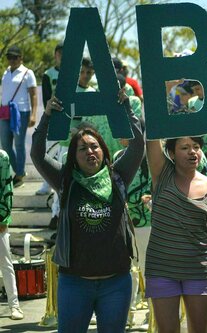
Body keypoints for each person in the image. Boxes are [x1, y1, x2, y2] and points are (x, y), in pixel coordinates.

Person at [31, 89, 144, 332]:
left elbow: (137, 147)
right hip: (74, 284)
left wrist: (127, 110)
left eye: (94, 146)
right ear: (74, 156)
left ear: (103, 151)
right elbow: (37, 155)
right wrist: (47, 117)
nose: (89, 152)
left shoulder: (119, 177)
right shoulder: (65, 180)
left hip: (116, 284)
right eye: (82, 149)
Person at [145, 134, 207, 332]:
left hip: (199, 271)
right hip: (162, 270)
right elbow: (151, 135)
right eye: (184, 148)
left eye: (196, 146)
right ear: (172, 154)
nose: (192, 152)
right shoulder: (162, 174)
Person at [1, 45, 38, 188]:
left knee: (18, 143)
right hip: (5, 111)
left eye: (15, 57)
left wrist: (33, 114)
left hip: (21, 112)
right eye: (9, 57)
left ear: (21, 58)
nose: (12, 60)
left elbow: (34, 95)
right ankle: (19, 171)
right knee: (5, 144)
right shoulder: (5, 73)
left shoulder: (28, 73)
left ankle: (19, 173)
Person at [36, 42, 64, 197]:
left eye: (64, 53)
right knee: (48, 151)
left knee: (65, 151)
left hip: (70, 118)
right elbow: (46, 97)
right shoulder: (48, 74)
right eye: (59, 53)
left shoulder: (74, 72)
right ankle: (46, 184)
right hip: (54, 117)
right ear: (55, 55)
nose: (61, 56)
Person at [0, 148, 23, 319]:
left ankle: (14, 305)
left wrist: (3, 218)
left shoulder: (2, 157)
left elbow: (7, 188)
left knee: (6, 264)